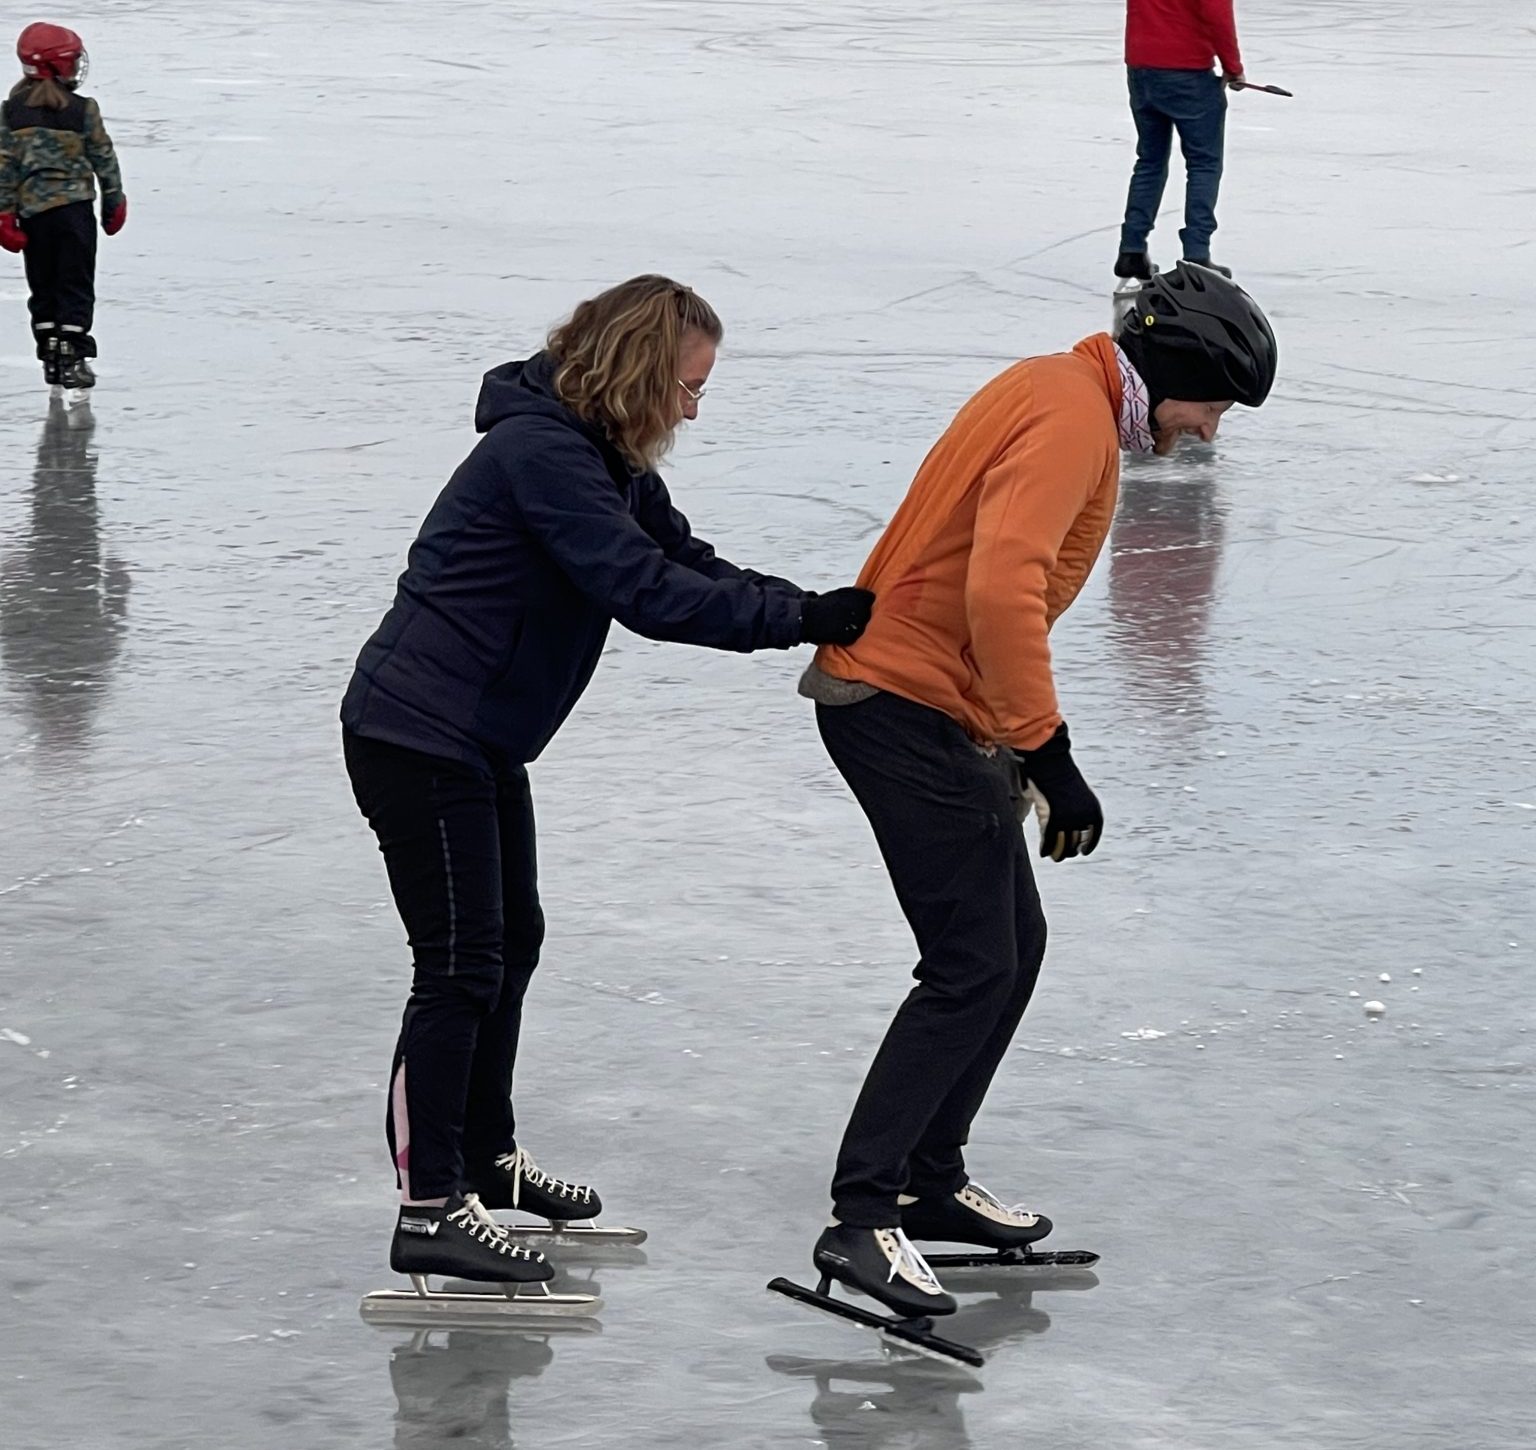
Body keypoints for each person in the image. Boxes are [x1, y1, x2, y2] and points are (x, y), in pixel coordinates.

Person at [341, 275, 875, 1286]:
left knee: (511, 941)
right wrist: (797, 622)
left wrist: (809, 604)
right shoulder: (541, 453)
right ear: (638, 371)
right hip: (418, 732)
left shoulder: (601, 457)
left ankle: (486, 1160)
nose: (692, 408)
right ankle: (428, 1204)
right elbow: (642, 590)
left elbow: (685, 558)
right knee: (458, 962)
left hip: (476, 735)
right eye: (688, 385)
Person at [798, 262, 1276, 1319]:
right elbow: (1000, 584)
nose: (1208, 432)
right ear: (1181, 368)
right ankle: (863, 1211)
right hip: (900, 702)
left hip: (925, 700)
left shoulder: (1057, 390)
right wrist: (1047, 753)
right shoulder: (1070, 420)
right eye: (1213, 406)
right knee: (972, 962)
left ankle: (924, 1176)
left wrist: (1013, 743)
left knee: (1012, 944)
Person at [0, 23, 126, 390]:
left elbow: (4, 167)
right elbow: (104, 158)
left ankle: (50, 352)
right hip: (74, 214)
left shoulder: (10, 113)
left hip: (34, 217)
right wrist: (113, 201)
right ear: (60, 66)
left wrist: (5, 213)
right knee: (75, 283)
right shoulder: (83, 110)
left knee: (43, 285)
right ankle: (74, 354)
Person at [1114, 0, 1245, 282]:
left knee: (1150, 160)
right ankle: (1196, 254)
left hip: (1141, 66)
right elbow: (1217, 14)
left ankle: (1132, 249)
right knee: (1203, 164)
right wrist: (1233, 66)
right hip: (1188, 71)